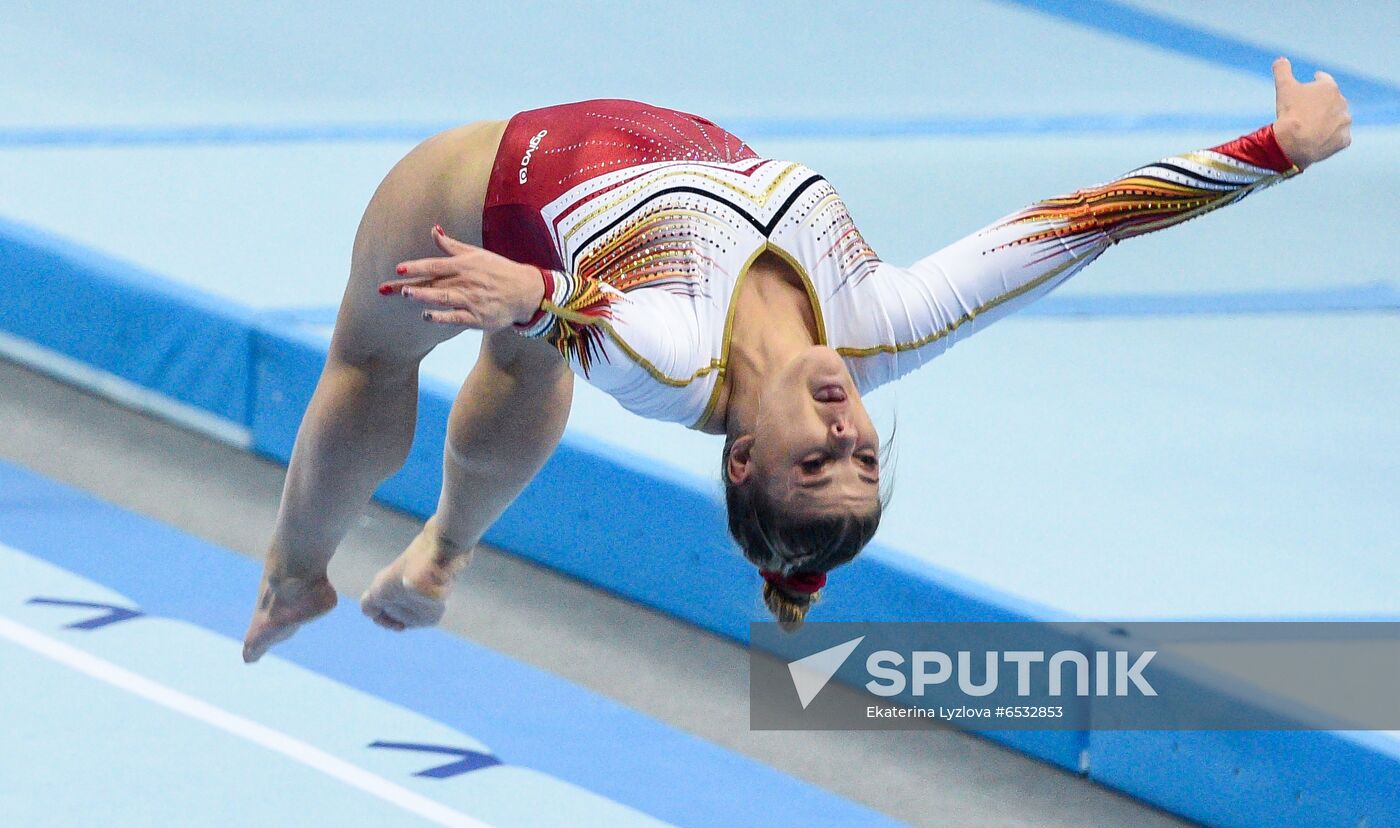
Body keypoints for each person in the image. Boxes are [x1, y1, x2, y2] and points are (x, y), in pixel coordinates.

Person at [242, 58, 1350, 661]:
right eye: (863, 458)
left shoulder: (677, 370)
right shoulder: (888, 325)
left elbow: (601, 326)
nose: (844, 432)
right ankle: (440, 556)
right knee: (524, 364)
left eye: (815, 465)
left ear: (741, 461)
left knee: (373, 358)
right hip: (551, 286)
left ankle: (294, 579)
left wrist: (532, 293)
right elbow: (1081, 223)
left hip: (488, 182)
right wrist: (1272, 155)